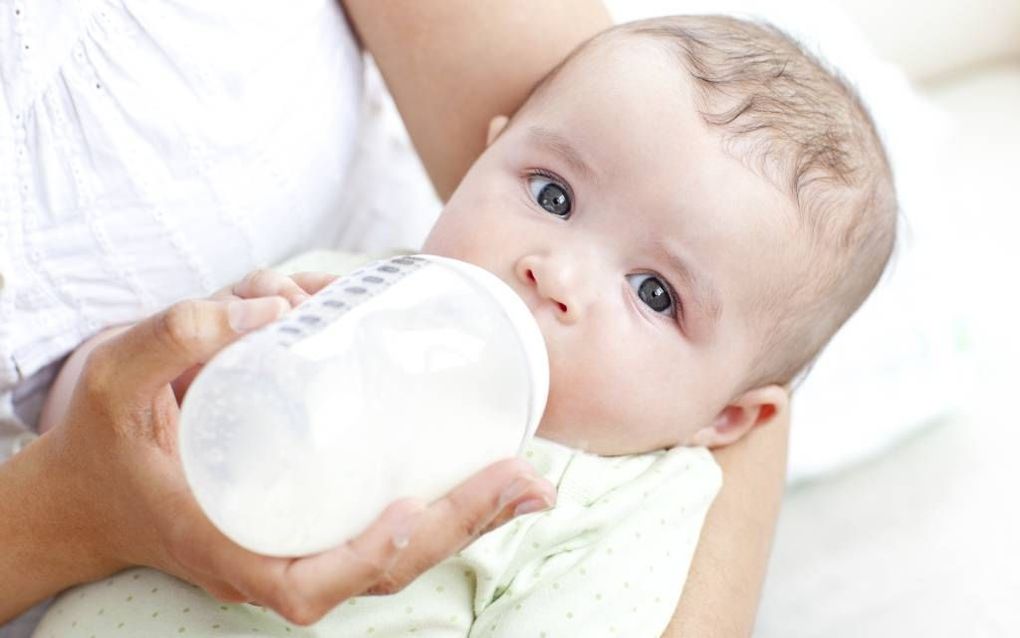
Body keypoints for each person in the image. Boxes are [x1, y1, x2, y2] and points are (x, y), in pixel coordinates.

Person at [26, 13, 896, 637]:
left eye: (656, 294)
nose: (555, 272)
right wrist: (172, 379)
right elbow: (95, 419)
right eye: (551, 195)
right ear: (487, 151)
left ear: (727, 420)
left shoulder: (620, 511)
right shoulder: (336, 290)